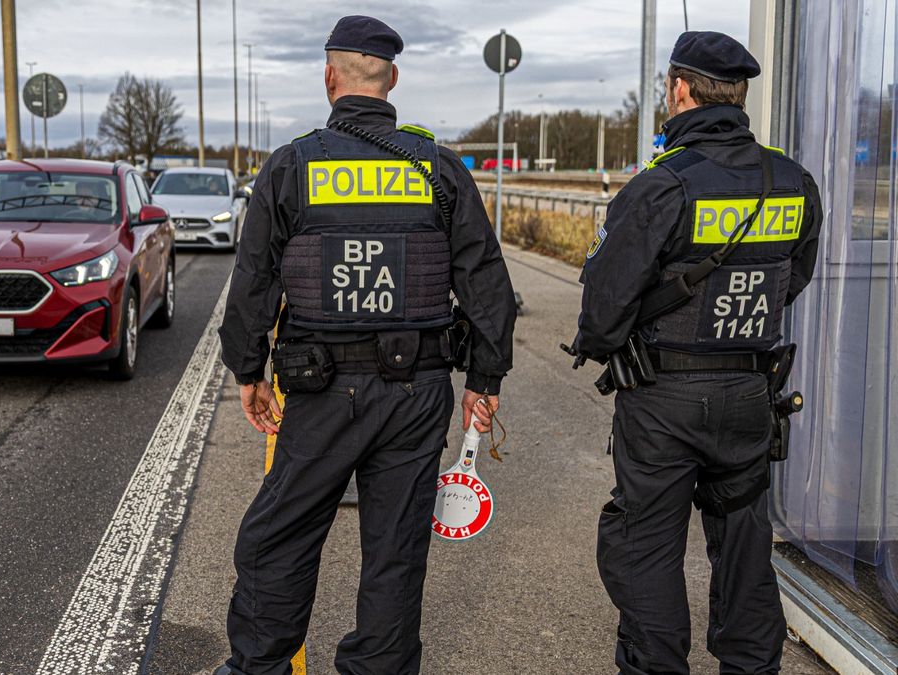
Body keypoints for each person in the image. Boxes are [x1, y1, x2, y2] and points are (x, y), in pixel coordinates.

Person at [215, 15, 518, 675]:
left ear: (331, 78)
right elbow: (489, 286)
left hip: (320, 390)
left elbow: (254, 282)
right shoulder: (438, 166)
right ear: (392, 79)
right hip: (417, 394)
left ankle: (260, 666)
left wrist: (248, 370)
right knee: (395, 550)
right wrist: (484, 382)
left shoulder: (293, 165)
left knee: (279, 538)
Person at [573, 31, 823, 674]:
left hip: (664, 397)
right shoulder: (791, 177)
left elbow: (603, 306)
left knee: (645, 546)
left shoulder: (662, 184)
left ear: (680, 90)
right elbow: (793, 277)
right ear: (737, 95)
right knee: (743, 547)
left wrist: (612, 343)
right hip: (749, 392)